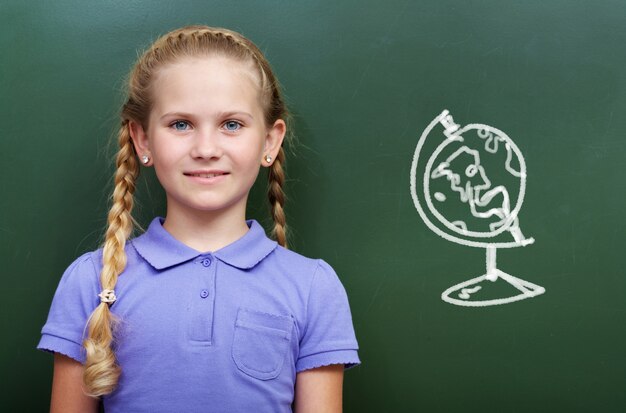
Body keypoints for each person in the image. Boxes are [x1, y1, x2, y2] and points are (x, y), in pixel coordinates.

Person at [37, 25, 360, 413]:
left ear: (270, 142)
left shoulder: (313, 287)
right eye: (180, 124)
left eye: (232, 125)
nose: (206, 149)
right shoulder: (90, 281)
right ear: (143, 141)